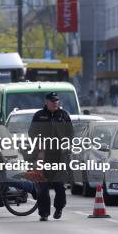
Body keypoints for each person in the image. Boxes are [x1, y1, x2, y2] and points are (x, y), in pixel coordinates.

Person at [28, 92, 74, 221]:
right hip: (43, 156)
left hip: (60, 156)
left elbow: (70, 133)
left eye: (57, 101)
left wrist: (66, 144)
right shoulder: (39, 115)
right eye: (52, 101)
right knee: (42, 187)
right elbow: (31, 133)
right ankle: (44, 213)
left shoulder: (63, 115)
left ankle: (59, 208)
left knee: (59, 186)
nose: (55, 103)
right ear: (46, 102)